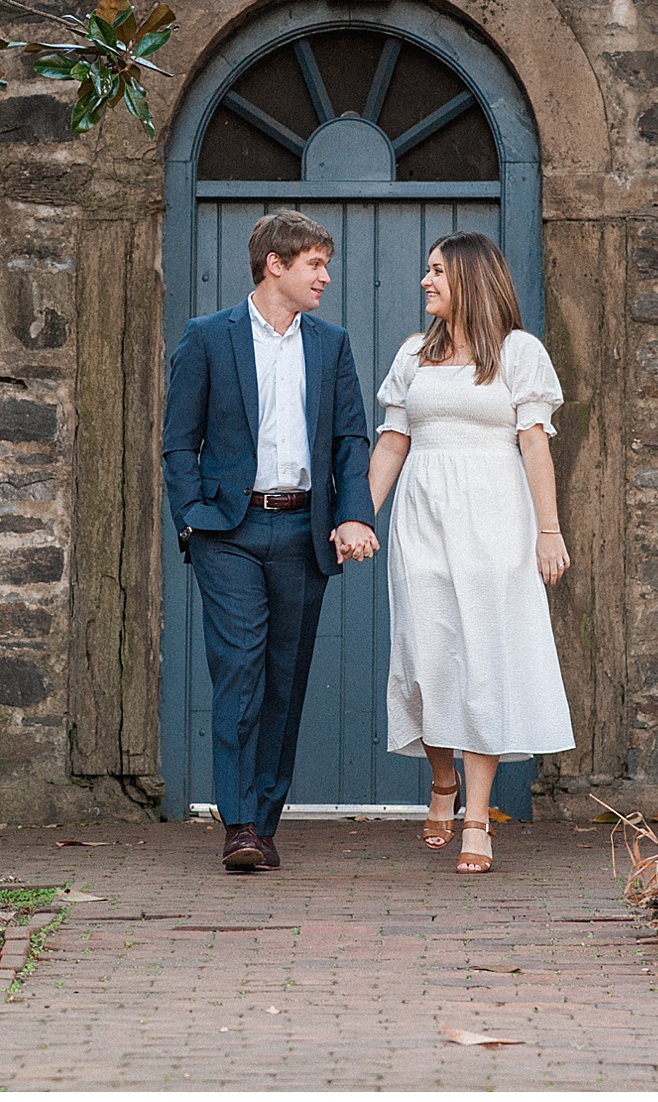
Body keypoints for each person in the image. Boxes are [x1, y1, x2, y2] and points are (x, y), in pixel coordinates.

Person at [162, 209, 380, 873]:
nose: (326, 276)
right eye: (315, 263)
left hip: (303, 530)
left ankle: (266, 815)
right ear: (274, 265)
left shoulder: (331, 344)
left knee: (284, 682)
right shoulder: (207, 338)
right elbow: (178, 442)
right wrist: (195, 518)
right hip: (229, 532)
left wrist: (356, 514)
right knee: (240, 673)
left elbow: (350, 438)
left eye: (325, 263)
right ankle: (241, 825)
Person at [366, 230, 575, 875]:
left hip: (495, 518)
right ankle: (442, 782)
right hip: (422, 520)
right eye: (425, 269)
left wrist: (550, 530)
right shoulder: (411, 354)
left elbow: (535, 445)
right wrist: (357, 517)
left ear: (470, 279)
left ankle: (478, 819)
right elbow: (393, 442)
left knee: (483, 656)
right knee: (428, 654)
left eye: (436, 271)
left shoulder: (520, 352)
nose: (425, 281)